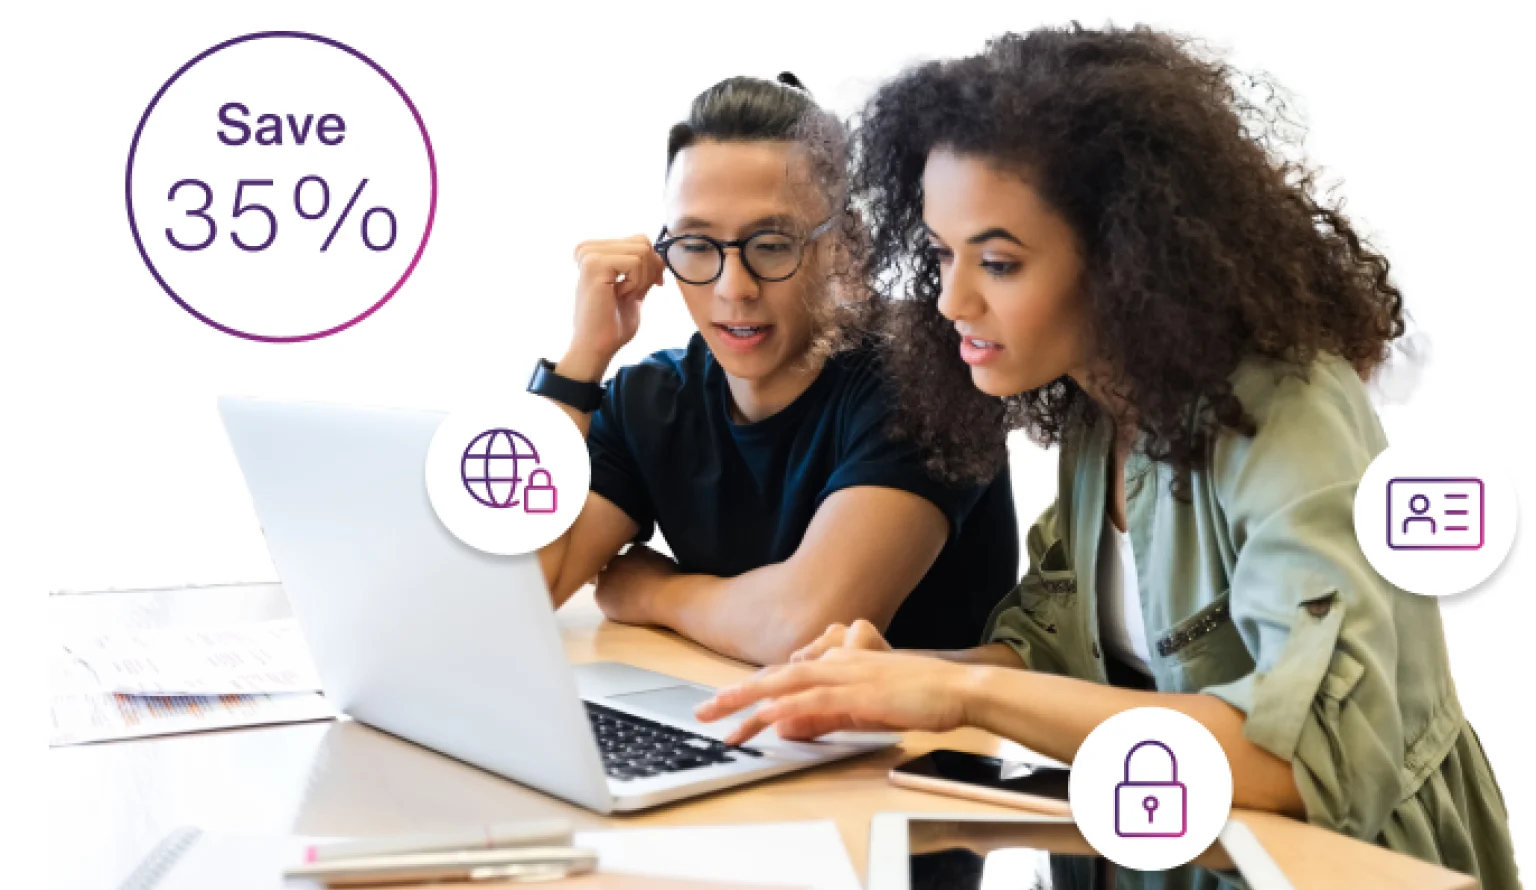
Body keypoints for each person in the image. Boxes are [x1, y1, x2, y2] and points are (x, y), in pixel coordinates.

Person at [696, 28, 1518, 887]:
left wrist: (963, 696)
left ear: (1129, 258)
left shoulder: (1289, 413)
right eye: (942, 253)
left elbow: (1307, 761)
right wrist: (889, 678)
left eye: (1000, 261)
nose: (950, 298)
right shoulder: (1101, 403)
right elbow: (1053, 654)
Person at [531, 73, 1019, 666]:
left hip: (918, 753)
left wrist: (655, 591)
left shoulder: (926, 374)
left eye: (771, 244)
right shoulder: (652, 400)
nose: (734, 289)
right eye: (696, 244)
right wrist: (582, 362)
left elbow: (806, 627)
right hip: (734, 723)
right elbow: (519, 588)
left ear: (842, 244)